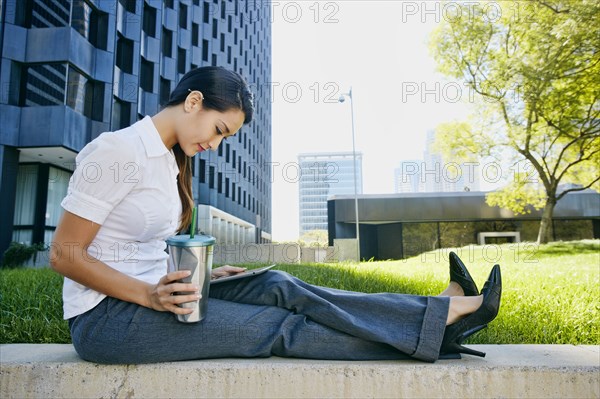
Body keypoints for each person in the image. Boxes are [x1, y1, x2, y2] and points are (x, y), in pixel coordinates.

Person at [50, 66, 502, 364]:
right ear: (192, 102)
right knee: (275, 328)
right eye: (219, 130)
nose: (215, 144)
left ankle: (434, 314)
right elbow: (66, 255)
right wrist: (149, 296)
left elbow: (140, 249)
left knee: (276, 285)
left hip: (163, 294)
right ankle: (435, 330)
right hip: (108, 321)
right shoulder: (118, 150)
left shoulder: (168, 161)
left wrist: (204, 277)